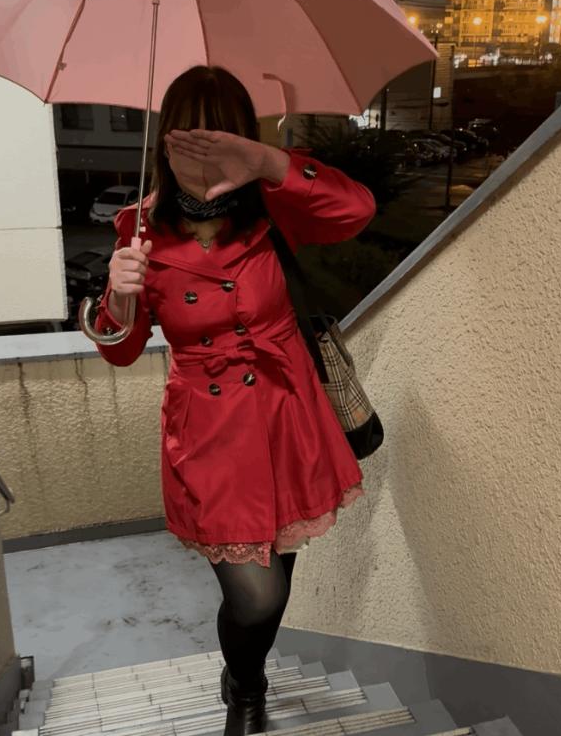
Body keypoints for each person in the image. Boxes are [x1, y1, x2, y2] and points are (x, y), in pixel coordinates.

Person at [93, 65, 376, 736]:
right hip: (209, 433)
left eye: (218, 141)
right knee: (258, 594)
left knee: (278, 573)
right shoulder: (140, 229)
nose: (201, 158)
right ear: (164, 142)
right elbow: (121, 349)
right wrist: (119, 296)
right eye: (186, 140)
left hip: (288, 418)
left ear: (242, 141)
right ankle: (246, 687)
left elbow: (356, 210)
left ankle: (244, 678)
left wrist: (269, 163)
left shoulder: (272, 205)